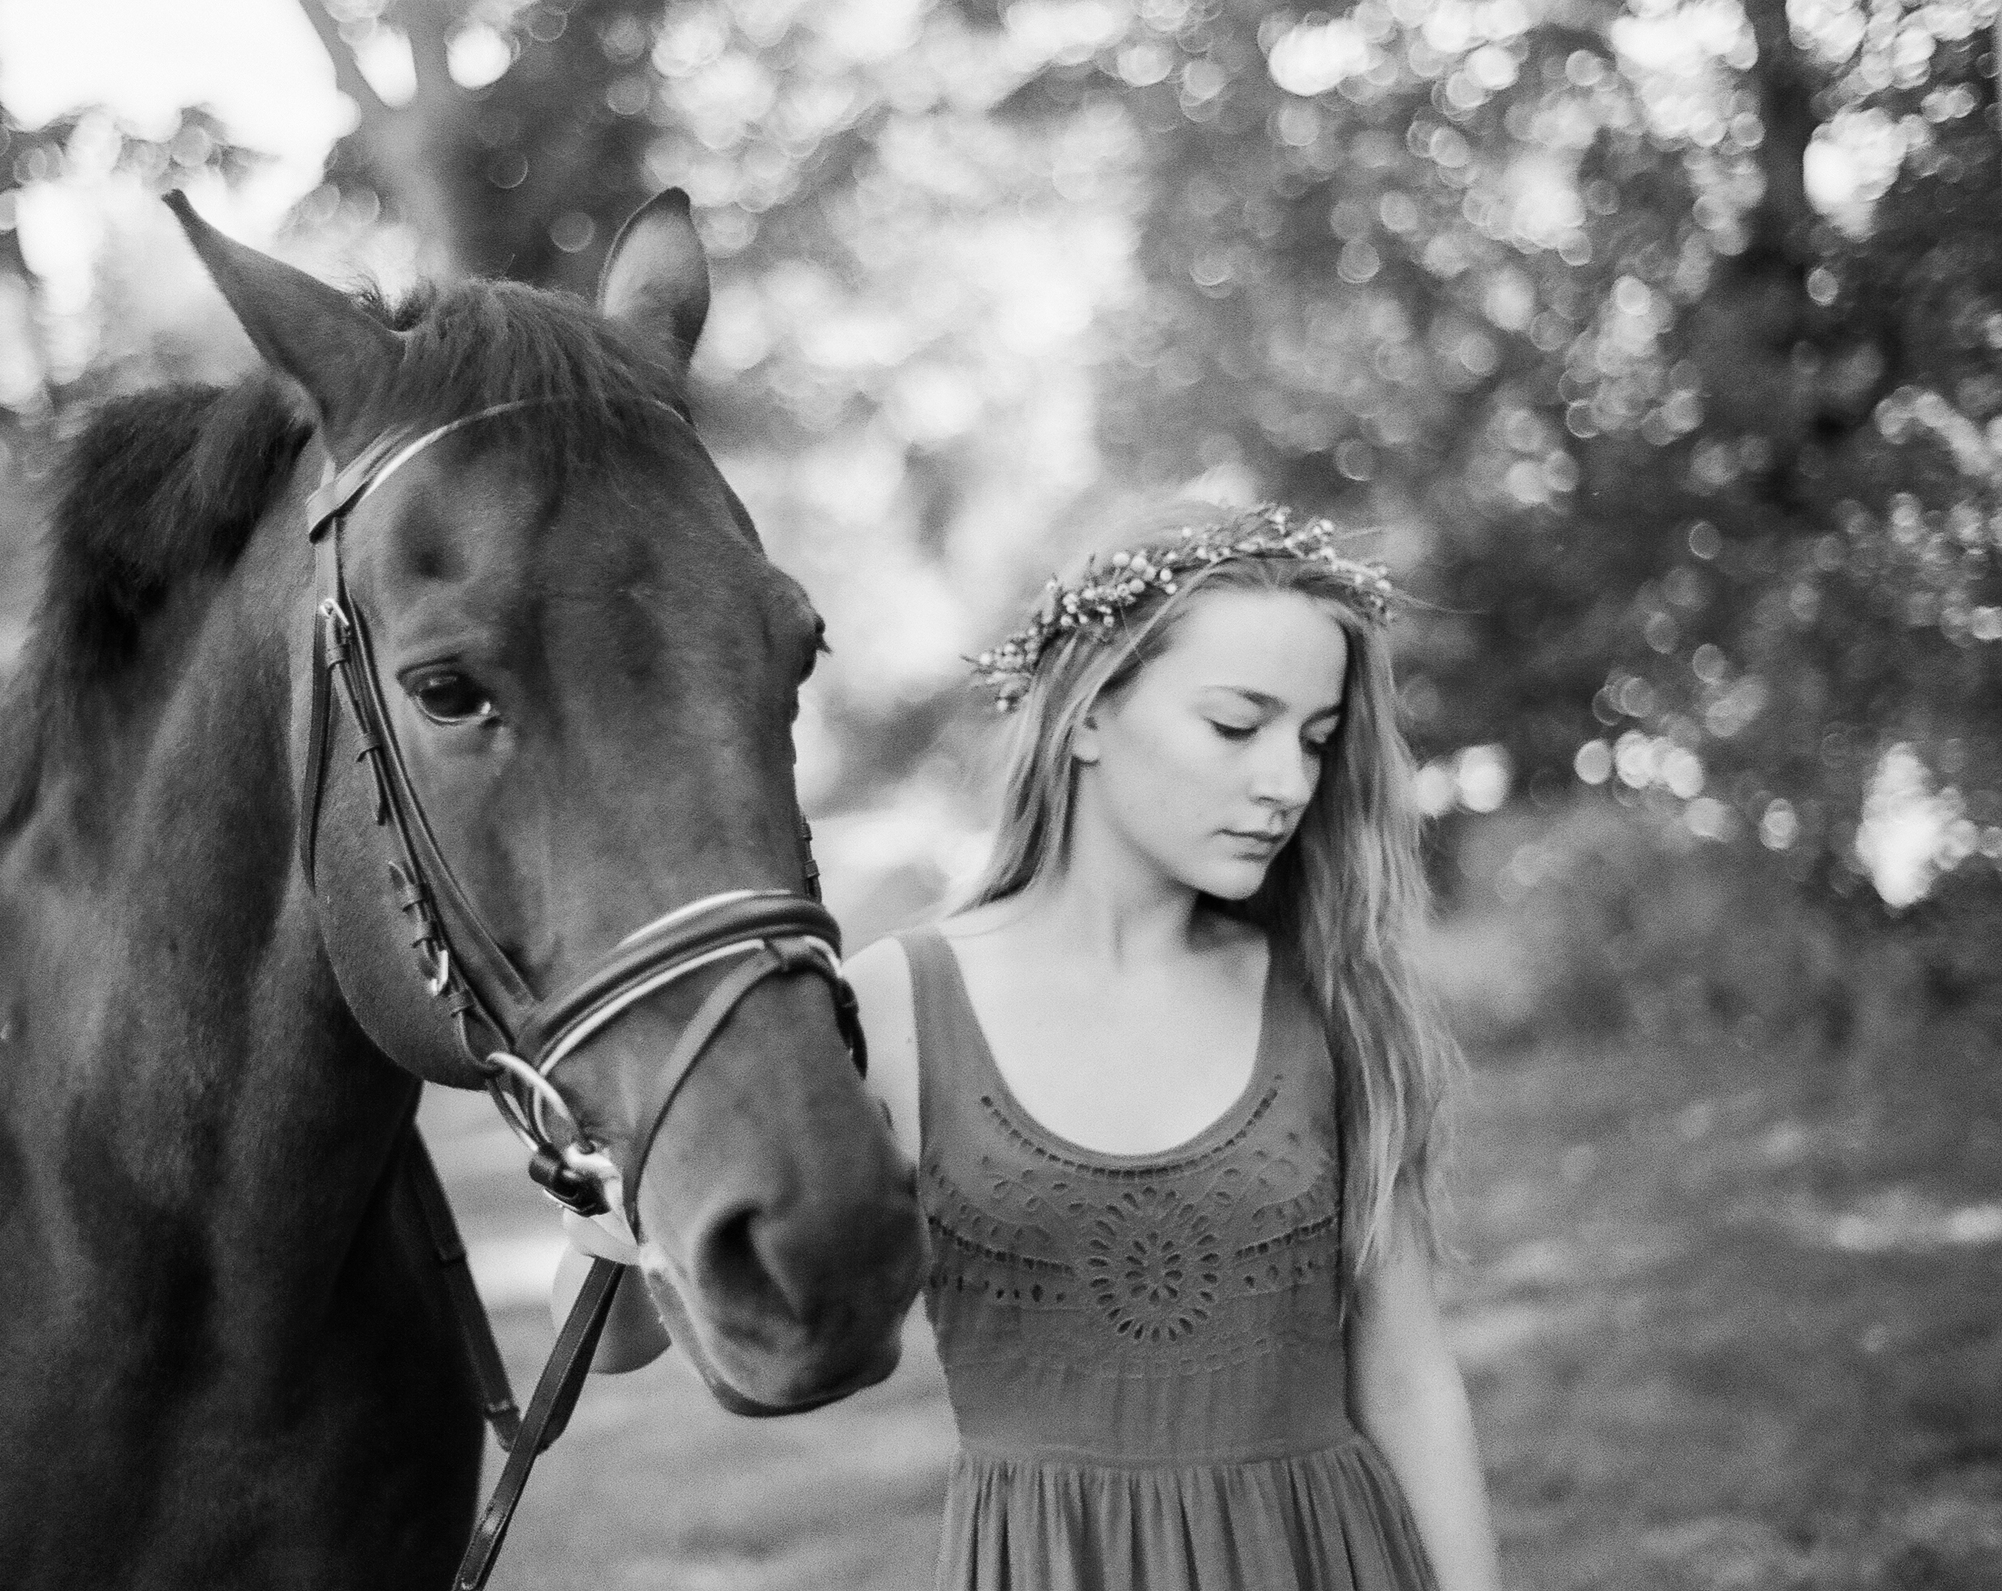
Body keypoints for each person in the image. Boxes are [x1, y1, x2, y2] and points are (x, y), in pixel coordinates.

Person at [557, 501, 1500, 1591]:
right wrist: (607, 1207)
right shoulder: (898, 1007)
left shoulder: (1332, 995)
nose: (1286, 782)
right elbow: (630, 1344)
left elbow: (1408, 1375)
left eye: (1315, 739)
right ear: (1088, 711)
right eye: (1238, 726)